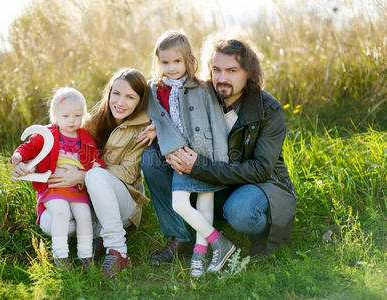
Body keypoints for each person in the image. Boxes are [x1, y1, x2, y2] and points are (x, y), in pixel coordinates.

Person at [142, 36, 297, 264]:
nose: (222, 78)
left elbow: (260, 169)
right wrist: (160, 128)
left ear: (249, 73)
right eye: (216, 70)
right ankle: (180, 237)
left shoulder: (268, 109)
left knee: (240, 211)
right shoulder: (202, 93)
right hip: (215, 179)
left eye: (232, 70)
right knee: (151, 158)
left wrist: (199, 167)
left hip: (259, 183)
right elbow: (174, 112)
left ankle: (258, 237)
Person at [143, 31, 235, 277]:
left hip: (206, 155)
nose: (171, 68)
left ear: (188, 60)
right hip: (182, 158)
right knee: (181, 204)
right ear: (158, 61)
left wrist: (220, 164)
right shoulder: (154, 90)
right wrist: (158, 133)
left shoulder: (202, 88)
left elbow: (217, 124)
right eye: (165, 62)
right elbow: (159, 120)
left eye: (177, 61)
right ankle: (220, 242)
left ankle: (199, 255)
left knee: (205, 204)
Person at [44, 68, 151, 277]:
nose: (121, 102)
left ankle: (118, 250)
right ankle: (96, 237)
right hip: (90, 203)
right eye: (116, 94)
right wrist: (25, 161)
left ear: (139, 101)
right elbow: (53, 139)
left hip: (125, 202)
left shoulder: (142, 129)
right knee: (50, 223)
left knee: (94, 174)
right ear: (109, 93)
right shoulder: (90, 123)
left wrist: (83, 175)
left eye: (130, 97)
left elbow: (128, 174)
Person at [11, 87, 104, 270]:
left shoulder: (84, 137)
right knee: (61, 212)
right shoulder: (47, 134)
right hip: (53, 187)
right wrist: (18, 157)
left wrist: (98, 168)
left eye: (77, 116)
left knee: (84, 215)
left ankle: (85, 257)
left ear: (83, 115)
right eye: (66, 116)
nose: (71, 120)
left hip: (77, 188)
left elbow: (95, 159)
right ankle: (60, 256)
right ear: (55, 115)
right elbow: (27, 147)